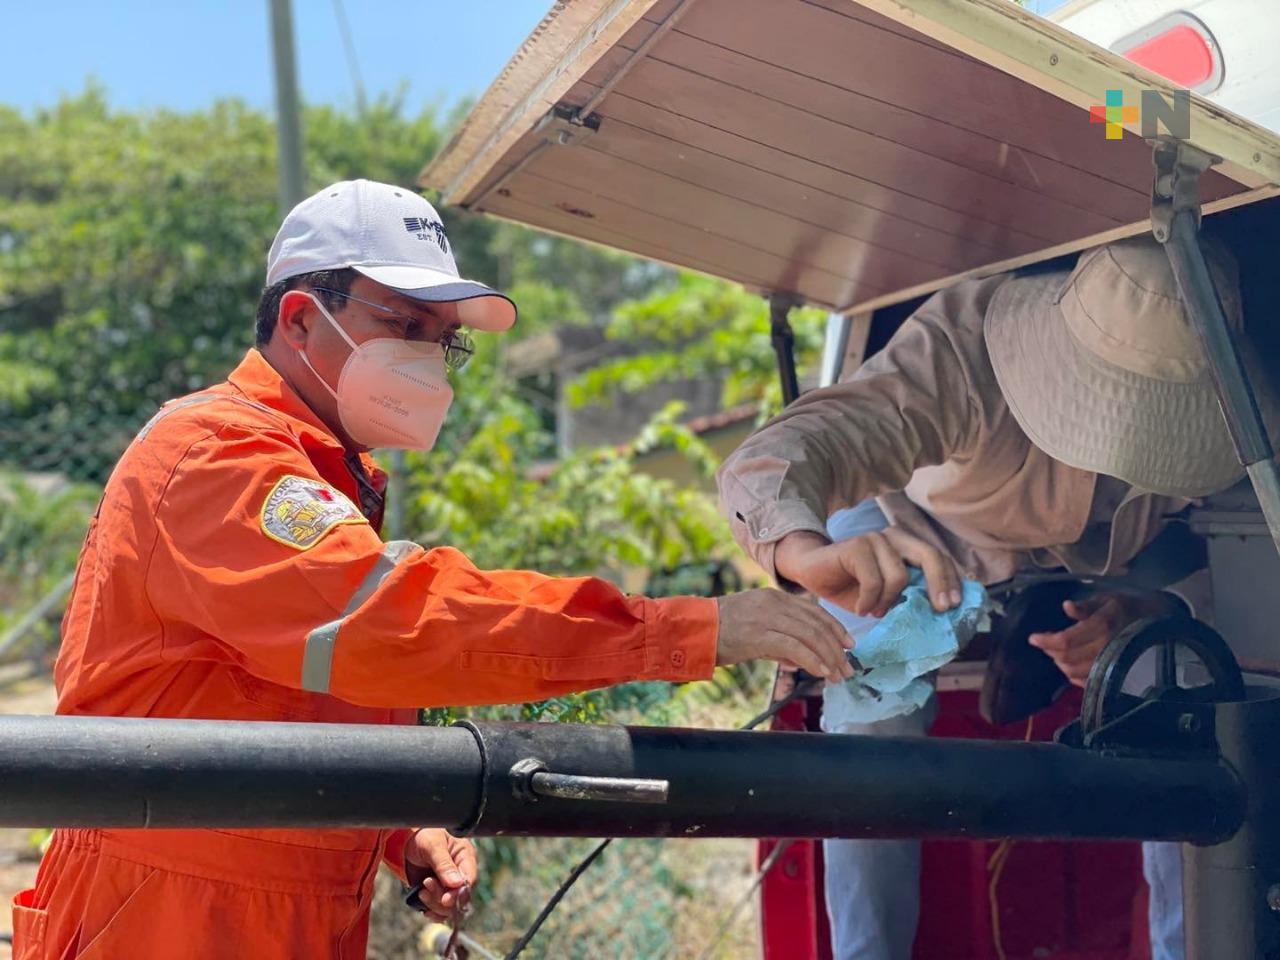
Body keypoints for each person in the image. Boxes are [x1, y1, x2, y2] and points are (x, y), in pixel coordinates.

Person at [11, 179, 854, 960]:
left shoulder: (321, 474)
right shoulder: (219, 458)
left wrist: (391, 824)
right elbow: (388, 628)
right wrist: (685, 629)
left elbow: (288, 688)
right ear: (301, 319)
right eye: (406, 326)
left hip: (273, 902)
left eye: (442, 342)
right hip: (168, 910)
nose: (428, 358)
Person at [717, 235, 1270, 960]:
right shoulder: (962, 353)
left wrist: (1159, 613)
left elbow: (1244, 559)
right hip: (903, 534)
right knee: (876, 706)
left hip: (1115, 569)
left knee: (1178, 688)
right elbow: (779, 459)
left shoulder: (1245, 410)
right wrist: (807, 558)